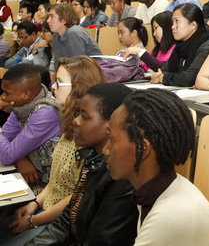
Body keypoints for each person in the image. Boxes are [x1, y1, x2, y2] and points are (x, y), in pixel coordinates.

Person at [0, 56, 105, 246]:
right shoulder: (69, 124)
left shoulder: (89, 137)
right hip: (44, 206)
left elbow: (76, 197)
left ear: (79, 88)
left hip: (61, 221)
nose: (53, 87)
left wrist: (33, 221)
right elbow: (57, 179)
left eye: (59, 82)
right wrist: (35, 204)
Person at [104, 88, 209, 246]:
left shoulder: (170, 215)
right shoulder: (155, 189)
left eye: (112, 139)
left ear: (142, 148)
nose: (105, 149)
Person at [26, 83, 138, 246]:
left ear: (112, 124)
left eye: (85, 117)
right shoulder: (93, 158)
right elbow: (66, 221)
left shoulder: (122, 177)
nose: (75, 121)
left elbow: (101, 240)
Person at [0, 65, 61, 193]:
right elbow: (7, 138)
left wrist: (14, 155)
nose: (3, 97)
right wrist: (20, 158)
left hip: (48, 187)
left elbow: (7, 154)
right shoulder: (22, 106)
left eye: (7, 93)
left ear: (27, 94)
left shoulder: (45, 113)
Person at [150, 4, 209, 87]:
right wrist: (162, 76)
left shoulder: (207, 46)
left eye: (177, 21)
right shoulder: (180, 45)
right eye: (172, 22)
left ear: (193, 25)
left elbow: (188, 78)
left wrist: (163, 78)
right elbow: (164, 70)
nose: (172, 27)